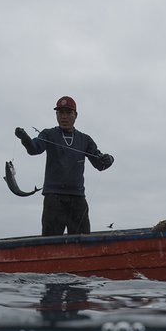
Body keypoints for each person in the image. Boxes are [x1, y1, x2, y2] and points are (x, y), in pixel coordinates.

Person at [15, 96, 114, 235]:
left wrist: (110, 159)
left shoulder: (85, 139)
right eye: (60, 113)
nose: (64, 116)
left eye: (68, 112)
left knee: (83, 245)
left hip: (78, 199)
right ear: (56, 115)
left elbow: (100, 164)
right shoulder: (48, 134)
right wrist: (25, 138)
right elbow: (34, 149)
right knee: (50, 245)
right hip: (53, 199)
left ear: (76, 115)